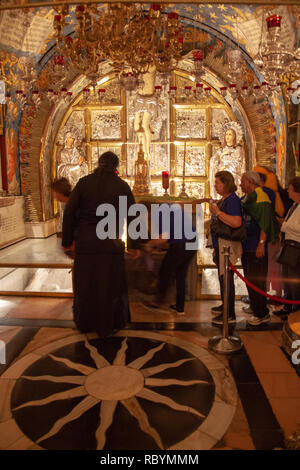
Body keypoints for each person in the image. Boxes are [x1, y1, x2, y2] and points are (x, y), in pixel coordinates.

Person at [62, 151, 140, 337]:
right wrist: (134, 245)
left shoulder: (83, 183)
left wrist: (67, 242)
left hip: (85, 243)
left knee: (86, 285)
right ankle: (108, 325)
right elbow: (133, 217)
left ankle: (85, 324)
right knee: (109, 286)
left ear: (99, 163)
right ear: (116, 167)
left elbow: (69, 213)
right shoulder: (122, 186)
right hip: (110, 245)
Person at [240, 171, 279, 326]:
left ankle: (262, 313)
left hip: (256, 246)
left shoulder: (261, 197)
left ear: (250, 182)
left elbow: (265, 222)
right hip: (247, 245)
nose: (241, 184)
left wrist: (261, 243)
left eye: (243, 181)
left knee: (257, 280)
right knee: (251, 279)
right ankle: (255, 306)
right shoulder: (248, 198)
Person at [146, 203, 197, 315]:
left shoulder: (159, 213)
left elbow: (164, 238)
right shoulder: (167, 209)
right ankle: (180, 307)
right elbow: (168, 239)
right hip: (193, 241)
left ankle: (158, 303)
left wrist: (149, 244)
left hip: (182, 243)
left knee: (165, 270)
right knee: (180, 274)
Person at [209, 171, 243, 325]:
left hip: (227, 246)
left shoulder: (233, 200)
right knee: (223, 279)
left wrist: (218, 212)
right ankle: (225, 307)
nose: (215, 186)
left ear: (226, 184)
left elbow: (236, 222)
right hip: (220, 245)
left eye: (217, 183)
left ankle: (229, 315)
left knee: (227, 280)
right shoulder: (225, 199)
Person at [253, 166, 285, 299]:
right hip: (272, 235)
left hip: (271, 236)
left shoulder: (268, 193)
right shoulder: (274, 192)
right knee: (272, 267)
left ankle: (269, 296)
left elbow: (275, 214)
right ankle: (268, 295)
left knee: (272, 267)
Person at [274, 176, 300, 317]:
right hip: (288, 246)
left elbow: (295, 227)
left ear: (297, 191)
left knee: (294, 279)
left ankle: (296, 310)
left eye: (290, 189)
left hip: (296, 247)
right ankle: (288, 305)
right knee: (287, 278)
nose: (288, 192)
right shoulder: (294, 205)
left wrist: (284, 225)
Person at [209, 122, 246, 199]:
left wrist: (226, 167)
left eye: (230, 134)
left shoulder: (239, 150)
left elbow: (238, 164)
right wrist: (222, 155)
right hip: (223, 179)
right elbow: (213, 163)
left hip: (234, 178)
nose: (227, 136)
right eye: (226, 134)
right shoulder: (221, 151)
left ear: (234, 136)